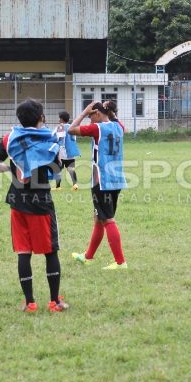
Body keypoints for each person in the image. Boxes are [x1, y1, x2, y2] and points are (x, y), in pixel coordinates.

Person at [0, 98, 68, 313]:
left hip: (17, 202)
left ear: (19, 119)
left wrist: (9, 170)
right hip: (41, 202)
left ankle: (30, 303)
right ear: (41, 117)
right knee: (50, 251)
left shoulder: (10, 138)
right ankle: (54, 302)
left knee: (24, 252)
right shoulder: (50, 138)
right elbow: (58, 170)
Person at [69, 100, 128, 270]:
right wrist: (110, 112)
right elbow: (116, 120)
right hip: (116, 180)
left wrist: (83, 112)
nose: (89, 119)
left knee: (108, 219)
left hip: (101, 182)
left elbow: (71, 130)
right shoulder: (119, 128)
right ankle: (88, 257)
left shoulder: (97, 128)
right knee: (99, 219)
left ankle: (120, 262)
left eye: (91, 116)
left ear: (98, 113)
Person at [52, 111, 80, 190]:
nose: (58, 120)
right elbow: (74, 139)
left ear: (61, 119)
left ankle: (58, 187)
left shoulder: (59, 127)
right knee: (71, 169)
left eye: (59, 118)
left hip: (61, 152)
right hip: (71, 152)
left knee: (58, 169)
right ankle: (75, 185)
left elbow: (54, 137)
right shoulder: (72, 127)